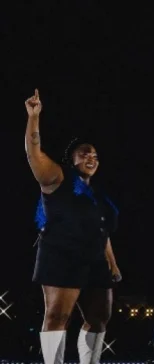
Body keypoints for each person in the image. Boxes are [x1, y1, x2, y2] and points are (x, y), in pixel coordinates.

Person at [24, 89, 122, 364]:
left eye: (95, 155)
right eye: (85, 153)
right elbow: (33, 153)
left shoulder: (99, 196)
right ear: (72, 158)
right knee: (58, 315)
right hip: (61, 254)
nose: (92, 157)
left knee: (100, 317)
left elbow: (102, 231)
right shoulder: (57, 177)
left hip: (95, 259)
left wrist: (113, 263)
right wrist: (34, 117)